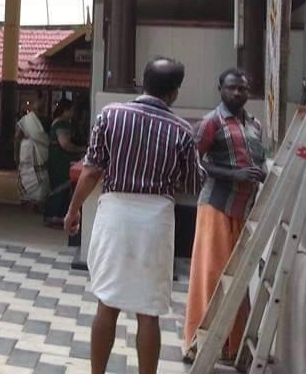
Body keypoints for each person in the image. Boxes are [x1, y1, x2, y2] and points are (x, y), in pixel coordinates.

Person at [65, 57, 204, 374]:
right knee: (148, 310)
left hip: (115, 213)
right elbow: (193, 182)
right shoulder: (182, 130)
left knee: (107, 302)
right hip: (155, 220)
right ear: (174, 93)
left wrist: (73, 210)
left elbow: (91, 172)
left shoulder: (110, 115)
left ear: (143, 81)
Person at [183, 68, 266, 363]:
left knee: (238, 281)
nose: (238, 94)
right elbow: (194, 163)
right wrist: (234, 173)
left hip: (245, 210)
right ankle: (197, 344)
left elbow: (258, 161)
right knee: (211, 277)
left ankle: (231, 346)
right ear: (220, 88)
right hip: (216, 206)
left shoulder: (255, 124)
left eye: (243, 89)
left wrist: (261, 173)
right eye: (232, 88)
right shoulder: (211, 122)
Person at [43, 99, 87, 226]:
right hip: (61, 160)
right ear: (65, 110)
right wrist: (81, 149)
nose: (73, 113)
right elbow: (65, 144)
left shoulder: (58, 122)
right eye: (72, 110)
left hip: (57, 158)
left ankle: (54, 215)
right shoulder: (62, 124)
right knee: (61, 186)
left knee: (59, 186)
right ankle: (55, 215)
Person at [16, 100, 50, 208]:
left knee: (39, 174)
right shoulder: (27, 120)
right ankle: (29, 199)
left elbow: (17, 137)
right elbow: (17, 136)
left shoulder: (40, 120)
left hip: (31, 149)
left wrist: (16, 153)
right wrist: (15, 154)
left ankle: (33, 200)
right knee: (29, 173)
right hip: (28, 150)